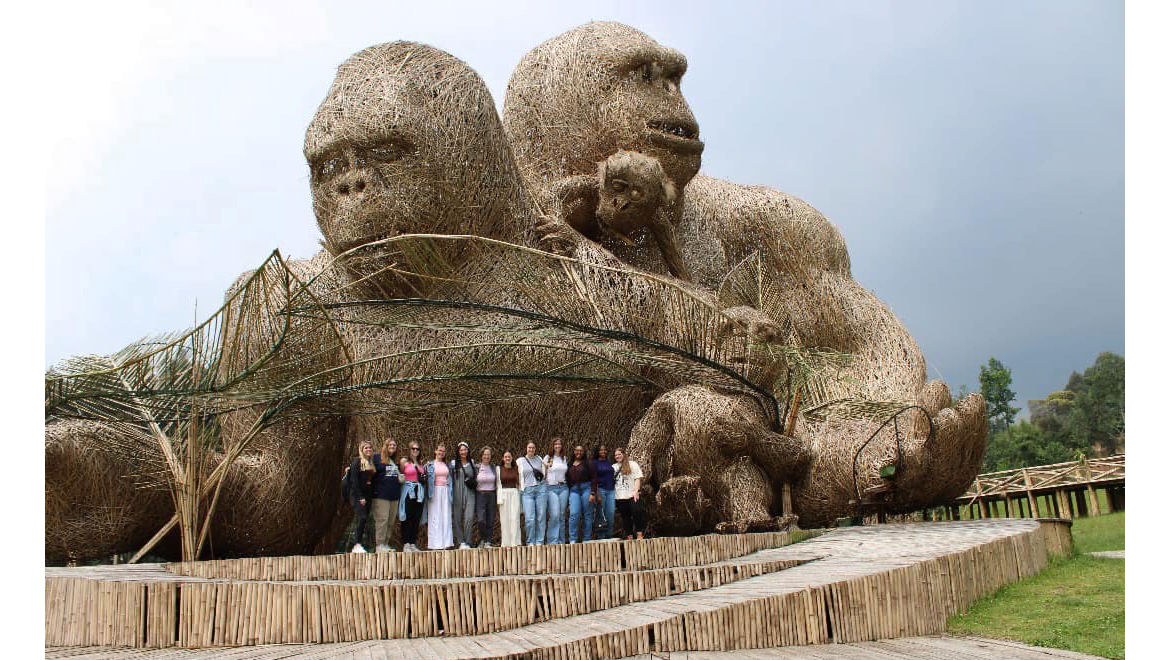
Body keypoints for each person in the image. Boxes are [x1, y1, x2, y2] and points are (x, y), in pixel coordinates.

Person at [346, 441, 377, 553]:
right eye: (366, 448)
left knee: (364, 519)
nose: (368, 449)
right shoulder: (357, 462)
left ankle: (358, 543)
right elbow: (354, 480)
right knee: (362, 517)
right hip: (358, 495)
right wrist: (360, 497)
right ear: (361, 450)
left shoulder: (371, 462)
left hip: (368, 495)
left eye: (370, 447)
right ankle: (356, 544)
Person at [371, 438, 401, 553]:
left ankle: (385, 543)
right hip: (381, 495)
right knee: (382, 520)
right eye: (391, 444)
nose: (393, 446)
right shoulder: (377, 458)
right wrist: (351, 468)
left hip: (393, 496)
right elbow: (363, 462)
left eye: (394, 445)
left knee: (390, 521)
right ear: (386, 445)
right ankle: (379, 545)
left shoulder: (394, 461)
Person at [424, 443, 454, 550]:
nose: (441, 453)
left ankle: (446, 543)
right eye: (439, 450)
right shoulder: (430, 465)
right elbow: (424, 476)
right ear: (435, 451)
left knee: (446, 515)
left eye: (443, 451)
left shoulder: (447, 465)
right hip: (434, 491)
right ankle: (434, 544)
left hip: (445, 491)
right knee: (434, 516)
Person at [566, 443, 598, 543]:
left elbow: (594, 478)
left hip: (586, 489)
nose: (578, 452)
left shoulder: (589, 463)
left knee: (587, 514)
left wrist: (593, 493)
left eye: (581, 450)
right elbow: (567, 478)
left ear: (583, 452)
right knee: (574, 514)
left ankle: (587, 539)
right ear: (574, 452)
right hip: (574, 490)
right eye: (576, 450)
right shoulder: (570, 464)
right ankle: (573, 539)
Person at [397, 442, 426, 552]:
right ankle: (406, 543)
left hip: (418, 491)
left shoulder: (420, 463)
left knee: (416, 517)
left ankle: (413, 542)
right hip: (408, 490)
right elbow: (399, 474)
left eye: (417, 449)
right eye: (413, 449)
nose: (415, 451)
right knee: (407, 515)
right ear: (409, 450)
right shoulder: (404, 461)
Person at [613, 446, 646, 540]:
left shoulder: (632, 464)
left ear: (624, 454)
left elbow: (637, 478)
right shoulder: (614, 467)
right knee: (625, 517)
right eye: (615, 455)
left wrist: (636, 491)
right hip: (619, 496)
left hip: (632, 494)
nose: (617, 456)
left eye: (619, 454)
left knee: (637, 512)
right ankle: (629, 535)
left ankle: (639, 533)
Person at [518, 441, 547, 545]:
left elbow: (545, 472)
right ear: (526, 448)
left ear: (535, 449)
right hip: (527, 492)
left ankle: (540, 541)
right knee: (530, 518)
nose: (531, 449)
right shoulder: (520, 461)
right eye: (529, 447)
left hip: (541, 490)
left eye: (533, 448)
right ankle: (530, 541)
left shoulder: (539, 459)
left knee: (541, 517)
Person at [451, 441, 478, 549]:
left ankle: (468, 541)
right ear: (458, 451)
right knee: (457, 517)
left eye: (465, 449)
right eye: (461, 450)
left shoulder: (472, 462)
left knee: (469, 517)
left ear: (468, 450)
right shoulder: (453, 464)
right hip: (457, 492)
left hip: (470, 492)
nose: (463, 452)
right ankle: (460, 541)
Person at [543, 437, 570, 544]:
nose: (557, 446)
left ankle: (561, 540)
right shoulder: (548, 458)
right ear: (553, 446)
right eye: (555, 444)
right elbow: (543, 474)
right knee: (554, 514)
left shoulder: (564, 458)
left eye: (559, 444)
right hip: (551, 488)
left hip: (563, 487)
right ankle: (552, 541)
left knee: (562, 515)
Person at [497, 449, 522, 547]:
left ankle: (515, 542)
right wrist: (498, 498)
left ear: (512, 458)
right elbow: (497, 485)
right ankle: (506, 543)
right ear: (503, 458)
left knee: (515, 518)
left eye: (509, 456)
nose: (507, 458)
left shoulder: (517, 469)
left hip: (514, 493)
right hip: (503, 494)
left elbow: (520, 483)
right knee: (504, 519)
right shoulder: (499, 469)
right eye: (506, 457)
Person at [474, 446, 498, 548]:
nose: (486, 456)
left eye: (488, 454)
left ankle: (487, 541)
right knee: (481, 520)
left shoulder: (494, 467)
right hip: (480, 495)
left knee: (490, 519)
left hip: (492, 495)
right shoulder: (477, 467)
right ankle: (482, 539)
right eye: (485, 454)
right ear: (481, 456)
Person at [592, 444, 617, 539]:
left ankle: (609, 535)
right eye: (601, 450)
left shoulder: (608, 462)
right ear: (597, 452)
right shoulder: (594, 463)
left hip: (611, 490)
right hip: (601, 490)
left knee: (610, 514)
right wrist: (597, 494)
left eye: (604, 450)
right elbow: (594, 479)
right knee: (600, 514)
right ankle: (601, 537)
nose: (603, 452)